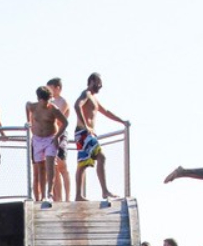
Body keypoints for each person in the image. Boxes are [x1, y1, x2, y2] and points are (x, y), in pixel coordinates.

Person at [73, 73, 127, 201]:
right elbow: (77, 105)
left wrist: (122, 121)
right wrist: (86, 125)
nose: (100, 86)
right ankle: (104, 191)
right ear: (91, 81)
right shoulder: (86, 94)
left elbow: (106, 112)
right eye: (98, 83)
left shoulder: (94, 99)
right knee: (100, 157)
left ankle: (78, 195)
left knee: (83, 164)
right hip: (83, 132)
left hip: (86, 133)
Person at [25, 86, 67, 202]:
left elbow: (65, 122)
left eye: (49, 100)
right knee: (40, 168)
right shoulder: (33, 107)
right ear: (39, 99)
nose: (47, 103)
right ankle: (43, 194)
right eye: (45, 100)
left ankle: (49, 193)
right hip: (37, 139)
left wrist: (57, 136)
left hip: (50, 139)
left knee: (50, 166)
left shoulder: (53, 109)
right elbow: (26, 105)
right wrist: (29, 122)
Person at [46, 78, 71, 202]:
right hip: (51, 135)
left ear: (57, 88)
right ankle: (58, 198)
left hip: (60, 134)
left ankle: (67, 198)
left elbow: (57, 117)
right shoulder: (49, 102)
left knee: (62, 166)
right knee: (54, 167)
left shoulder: (62, 101)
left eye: (50, 88)